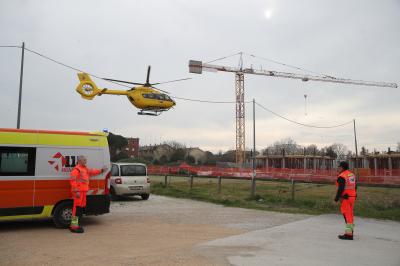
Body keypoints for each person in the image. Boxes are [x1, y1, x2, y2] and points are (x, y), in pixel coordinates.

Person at [69, 155, 107, 233]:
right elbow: (72, 181)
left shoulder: (84, 169)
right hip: (78, 193)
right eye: (84, 160)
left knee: (79, 209)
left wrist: (102, 170)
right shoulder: (76, 169)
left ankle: (76, 225)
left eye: (86, 160)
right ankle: (74, 226)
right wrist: (76, 191)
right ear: (79, 161)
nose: (86, 161)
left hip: (83, 192)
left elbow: (92, 172)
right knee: (76, 209)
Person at [334, 161, 357, 240]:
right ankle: (351, 231)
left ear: (342, 167)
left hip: (346, 198)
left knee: (347, 216)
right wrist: (354, 194)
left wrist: (337, 198)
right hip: (352, 197)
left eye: (339, 167)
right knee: (350, 215)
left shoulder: (342, 176)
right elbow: (355, 185)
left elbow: (341, 188)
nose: (338, 168)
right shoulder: (351, 174)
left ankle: (349, 234)